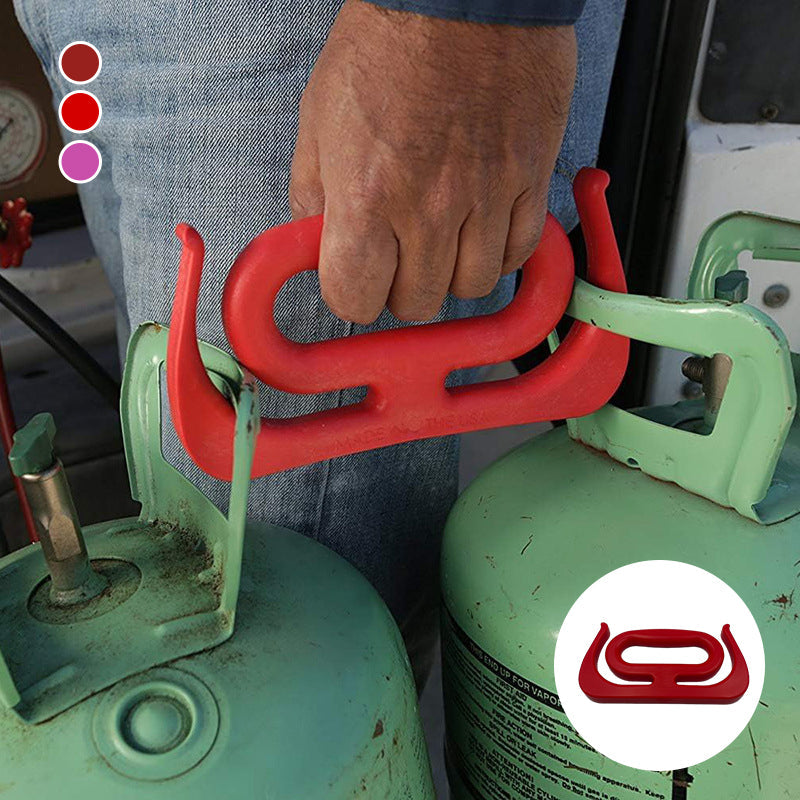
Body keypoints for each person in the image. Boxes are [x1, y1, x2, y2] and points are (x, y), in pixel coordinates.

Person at [14, 0, 625, 686]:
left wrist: (461, 27)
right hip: (114, 26)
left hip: (335, 34)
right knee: (177, 485)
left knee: (282, 650)